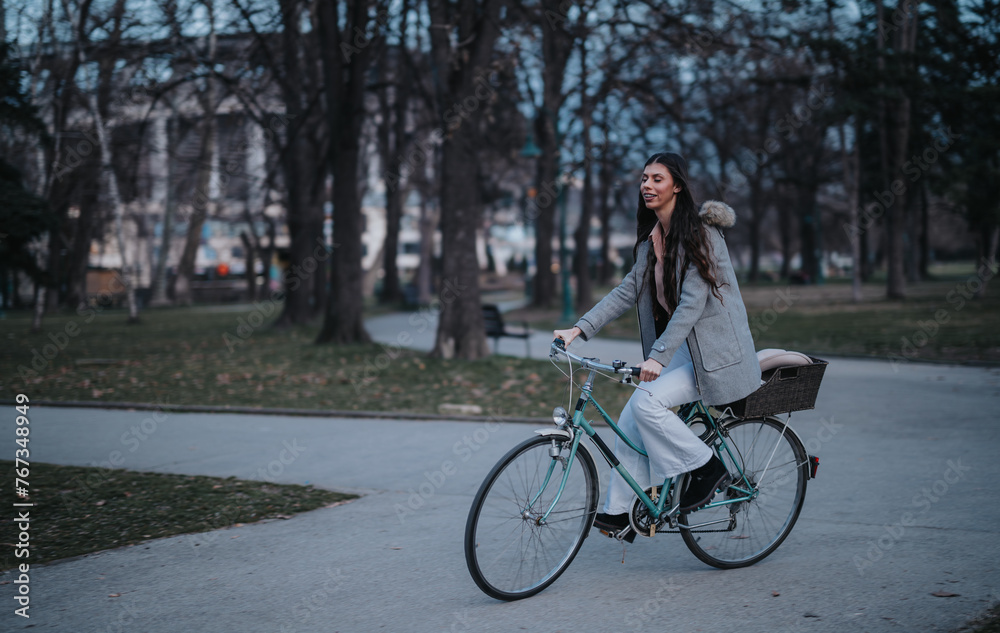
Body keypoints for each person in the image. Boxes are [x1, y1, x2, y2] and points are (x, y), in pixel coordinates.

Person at [553, 151, 760, 542]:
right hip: (686, 350)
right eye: (644, 178)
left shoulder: (704, 234)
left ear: (677, 186)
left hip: (716, 357)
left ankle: (707, 468)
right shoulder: (652, 242)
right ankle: (620, 512)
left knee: (649, 403)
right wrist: (577, 330)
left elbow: (691, 304)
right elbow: (625, 292)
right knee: (631, 419)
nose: (647, 185)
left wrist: (657, 358)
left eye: (657, 179)